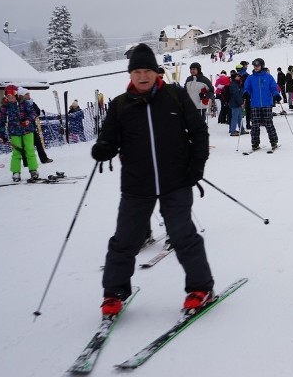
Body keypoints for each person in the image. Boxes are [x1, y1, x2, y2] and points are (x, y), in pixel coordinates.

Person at [91, 43, 214, 316]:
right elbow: (109, 138)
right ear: (130, 74)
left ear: (157, 72)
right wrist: (103, 148)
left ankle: (201, 288)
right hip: (137, 185)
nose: (142, 76)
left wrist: (197, 165)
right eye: (137, 71)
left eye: (147, 70)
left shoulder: (174, 96)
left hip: (176, 181)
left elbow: (199, 132)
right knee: (124, 241)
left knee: (183, 236)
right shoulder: (121, 105)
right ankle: (114, 293)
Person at [0, 84, 40, 182]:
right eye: (8, 96)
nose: (10, 98)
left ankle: (33, 170)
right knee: (16, 153)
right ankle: (16, 172)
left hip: (27, 130)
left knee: (29, 150)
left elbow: (33, 113)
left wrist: (28, 120)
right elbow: (2, 122)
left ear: (16, 94)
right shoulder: (5, 107)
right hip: (14, 132)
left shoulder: (24, 103)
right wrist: (1, 135)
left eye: (12, 96)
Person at [242, 57, 281, 151]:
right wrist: (246, 93)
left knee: (268, 124)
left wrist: (276, 95)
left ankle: (273, 141)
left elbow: (273, 87)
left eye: (257, 65)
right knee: (255, 125)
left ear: (262, 66)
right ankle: (255, 143)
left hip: (267, 103)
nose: (256, 67)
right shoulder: (250, 78)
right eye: (254, 66)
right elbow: (247, 87)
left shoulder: (268, 77)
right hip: (255, 104)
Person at [22, 89, 53, 164]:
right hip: (22, 128)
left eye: (28, 94)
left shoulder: (32, 103)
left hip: (32, 127)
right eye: (26, 94)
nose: (28, 95)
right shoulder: (20, 105)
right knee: (25, 145)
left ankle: (44, 159)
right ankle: (26, 162)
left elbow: (37, 112)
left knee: (38, 143)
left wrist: (31, 115)